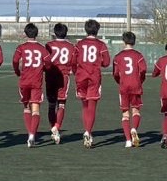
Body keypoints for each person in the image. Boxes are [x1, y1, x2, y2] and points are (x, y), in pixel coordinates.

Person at [12, 23, 51, 148]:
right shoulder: (42, 48)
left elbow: (15, 60)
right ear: (36, 34)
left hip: (24, 81)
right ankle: (32, 135)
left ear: (25, 34)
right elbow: (48, 61)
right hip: (36, 81)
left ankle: (30, 133)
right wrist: (45, 69)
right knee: (35, 109)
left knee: (26, 107)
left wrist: (17, 71)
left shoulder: (21, 47)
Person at [74, 19, 111, 148]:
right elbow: (106, 62)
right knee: (92, 106)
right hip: (94, 77)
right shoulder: (101, 45)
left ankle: (87, 131)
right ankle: (88, 131)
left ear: (86, 30)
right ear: (97, 30)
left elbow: (73, 61)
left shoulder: (79, 44)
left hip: (81, 76)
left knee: (84, 105)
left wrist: (77, 71)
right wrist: (98, 63)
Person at [112, 31, 147, 148]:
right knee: (136, 111)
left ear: (123, 41)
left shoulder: (118, 57)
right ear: (134, 42)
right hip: (136, 85)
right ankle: (134, 129)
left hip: (124, 86)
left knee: (125, 114)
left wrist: (119, 81)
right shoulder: (139, 55)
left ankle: (127, 140)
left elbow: (115, 74)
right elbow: (143, 70)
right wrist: (140, 80)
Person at [45, 22, 77, 144]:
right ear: (66, 33)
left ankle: (54, 129)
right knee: (62, 104)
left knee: (51, 105)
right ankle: (57, 127)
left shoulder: (48, 45)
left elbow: (45, 61)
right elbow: (74, 63)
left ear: (54, 32)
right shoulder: (71, 47)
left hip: (50, 76)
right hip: (63, 76)